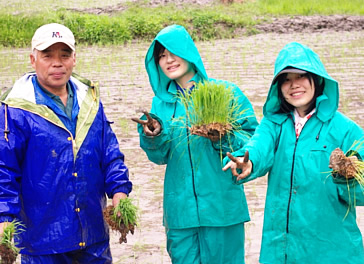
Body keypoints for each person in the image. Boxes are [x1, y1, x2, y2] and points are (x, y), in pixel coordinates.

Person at [0, 23, 132, 263]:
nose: (57, 63)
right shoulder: (16, 110)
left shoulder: (90, 102)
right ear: (33, 59)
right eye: (47, 55)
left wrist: (120, 195)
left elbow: (110, 153)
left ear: (74, 58)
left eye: (64, 55)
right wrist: (3, 219)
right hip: (43, 241)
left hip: (93, 234)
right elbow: (4, 170)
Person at [223, 42, 364, 263]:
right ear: (277, 88)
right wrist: (247, 162)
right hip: (282, 248)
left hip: (333, 250)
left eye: (300, 77)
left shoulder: (345, 129)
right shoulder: (274, 124)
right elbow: (259, 146)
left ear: (316, 79)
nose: (293, 85)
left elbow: (360, 192)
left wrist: (345, 175)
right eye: (285, 79)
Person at [132, 24, 258, 264]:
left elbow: (252, 139)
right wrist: (153, 136)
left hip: (222, 209)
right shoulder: (160, 105)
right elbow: (159, 157)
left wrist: (222, 136)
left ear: (188, 51)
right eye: (161, 56)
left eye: (173, 52)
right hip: (180, 214)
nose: (168, 60)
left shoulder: (225, 92)